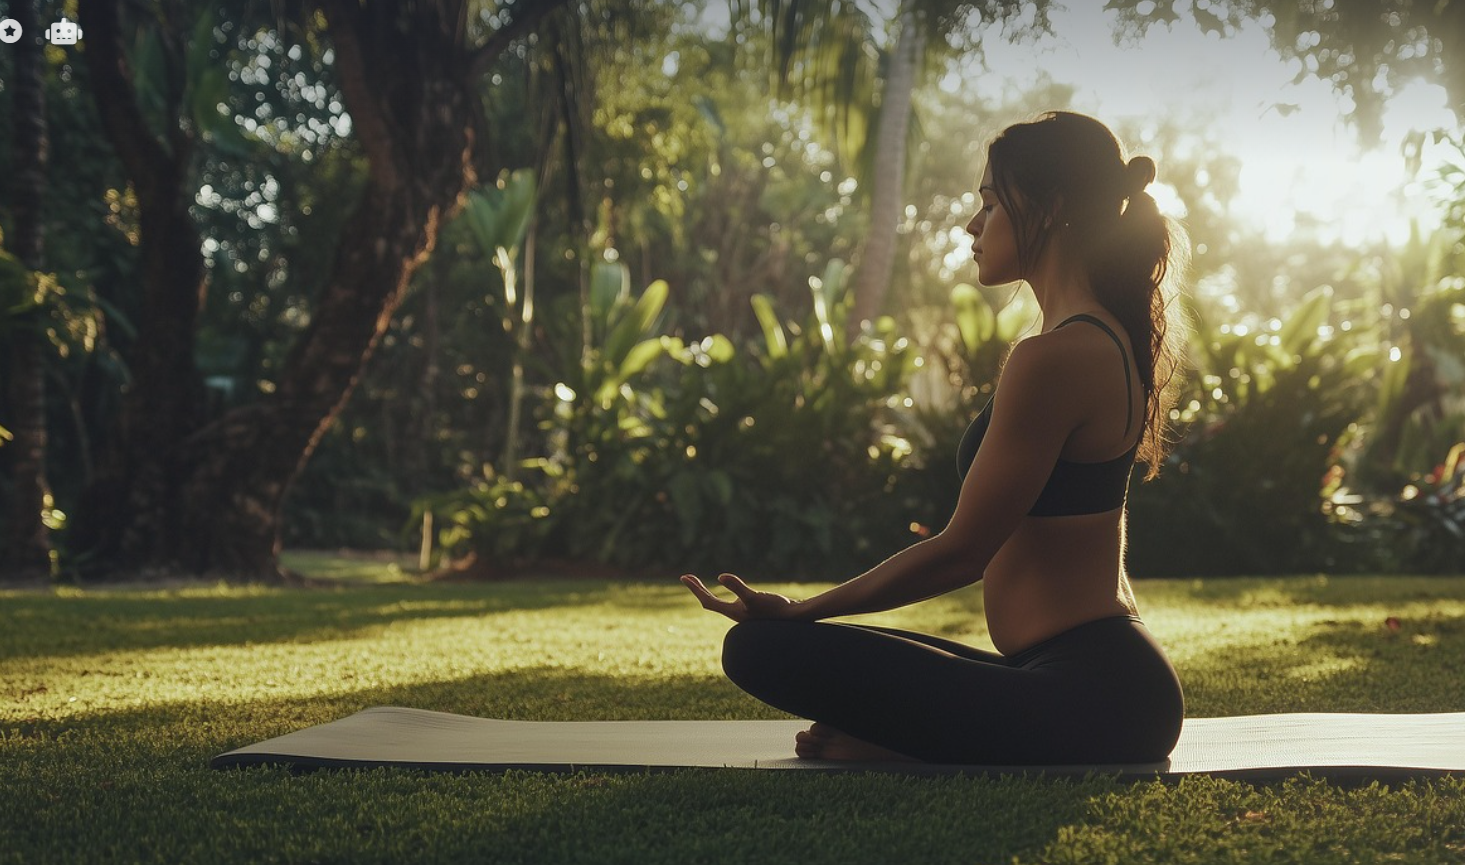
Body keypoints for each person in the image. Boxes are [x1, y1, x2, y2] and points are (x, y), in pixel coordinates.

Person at [681, 111, 1188, 765]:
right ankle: (922, 735)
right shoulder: (1100, 340)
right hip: (1091, 681)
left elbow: (961, 553)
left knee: (758, 647)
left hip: (1096, 695)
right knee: (825, 651)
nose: (972, 225)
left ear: (1050, 206)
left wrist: (800, 612)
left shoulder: (1057, 356)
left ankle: (908, 744)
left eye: (987, 203)